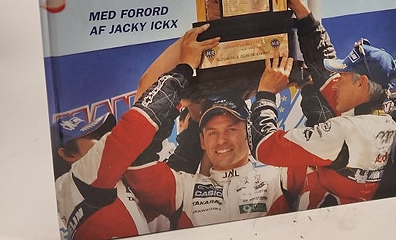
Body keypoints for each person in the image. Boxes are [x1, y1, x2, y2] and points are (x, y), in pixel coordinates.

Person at [247, 0, 396, 210]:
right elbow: (322, 65)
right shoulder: (381, 116)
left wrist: (266, 94)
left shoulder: (345, 131)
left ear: (361, 83)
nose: (336, 81)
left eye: (343, 76)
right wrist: (302, 12)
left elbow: (265, 147)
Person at [53, 23, 218, 240]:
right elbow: (134, 128)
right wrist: (184, 68)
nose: (103, 139)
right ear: (67, 154)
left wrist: (195, 122)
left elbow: (164, 185)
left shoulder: (108, 188)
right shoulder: (74, 181)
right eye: (93, 137)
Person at [124, 96, 303, 229]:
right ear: (202, 141)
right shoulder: (184, 189)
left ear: (248, 134)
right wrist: (177, 101)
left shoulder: (278, 178)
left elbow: (320, 150)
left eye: (231, 130)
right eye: (212, 133)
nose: (221, 140)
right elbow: (137, 162)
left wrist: (272, 93)